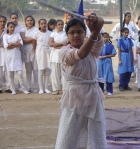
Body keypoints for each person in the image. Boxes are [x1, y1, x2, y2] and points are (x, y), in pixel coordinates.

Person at [55, 16, 106, 149]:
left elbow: (98, 43)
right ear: (67, 35)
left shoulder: (92, 50)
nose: (76, 35)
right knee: (67, 138)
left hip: (93, 98)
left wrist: (94, 29)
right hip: (74, 100)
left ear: (85, 34)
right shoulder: (64, 51)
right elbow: (81, 54)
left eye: (79, 32)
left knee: (95, 137)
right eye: (72, 32)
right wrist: (95, 32)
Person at [3, 22, 29, 95]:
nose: (12, 28)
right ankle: (13, 89)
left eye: (13, 27)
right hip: (9, 57)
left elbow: (21, 44)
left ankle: (24, 89)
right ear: (7, 28)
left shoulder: (17, 34)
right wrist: (15, 44)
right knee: (10, 75)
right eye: (10, 27)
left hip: (17, 57)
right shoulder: (5, 36)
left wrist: (11, 44)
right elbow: (5, 46)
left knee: (20, 74)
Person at [20, 15, 39, 92]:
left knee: (35, 69)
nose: (29, 22)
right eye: (28, 20)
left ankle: (35, 87)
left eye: (31, 20)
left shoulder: (36, 30)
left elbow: (36, 40)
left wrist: (32, 40)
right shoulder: (23, 29)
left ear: (33, 21)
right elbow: (23, 40)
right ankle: (28, 87)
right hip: (26, 51)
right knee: (28, 70)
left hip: (34, 51)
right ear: (25, 22)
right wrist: (32, 39)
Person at [33, 19, 51, 94]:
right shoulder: (36, 33)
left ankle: (46, 88)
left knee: (47, 70)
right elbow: (34, 43)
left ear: (46, 24)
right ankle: (41, 88)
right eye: (42, 23)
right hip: (40, 52)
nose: (43, 25)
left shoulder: (50, 33)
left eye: (45, 23)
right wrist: (35, 51)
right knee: (40, 70)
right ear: (39, 25)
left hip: (48, 52)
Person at [49, 20, 67, 95]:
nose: (60, 26)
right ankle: (56, 89)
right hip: (55, 55)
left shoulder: (66, 34)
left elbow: (67, 44)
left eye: (62, 24)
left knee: (64, 73)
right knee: (55, 73)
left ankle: (65, 89)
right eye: (59, 24)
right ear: (56, 25)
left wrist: (57, 45)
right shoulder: (53, 34)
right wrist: (61, 44)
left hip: (64, 54)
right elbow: (51, 44)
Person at [0, 15, 11, 94]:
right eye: (1, 21)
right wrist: (0, 31)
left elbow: (11, 40)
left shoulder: (8, 30)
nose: (2, 23)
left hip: (6, 51)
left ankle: (8, 87)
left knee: (7, 69)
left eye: (4, 21)